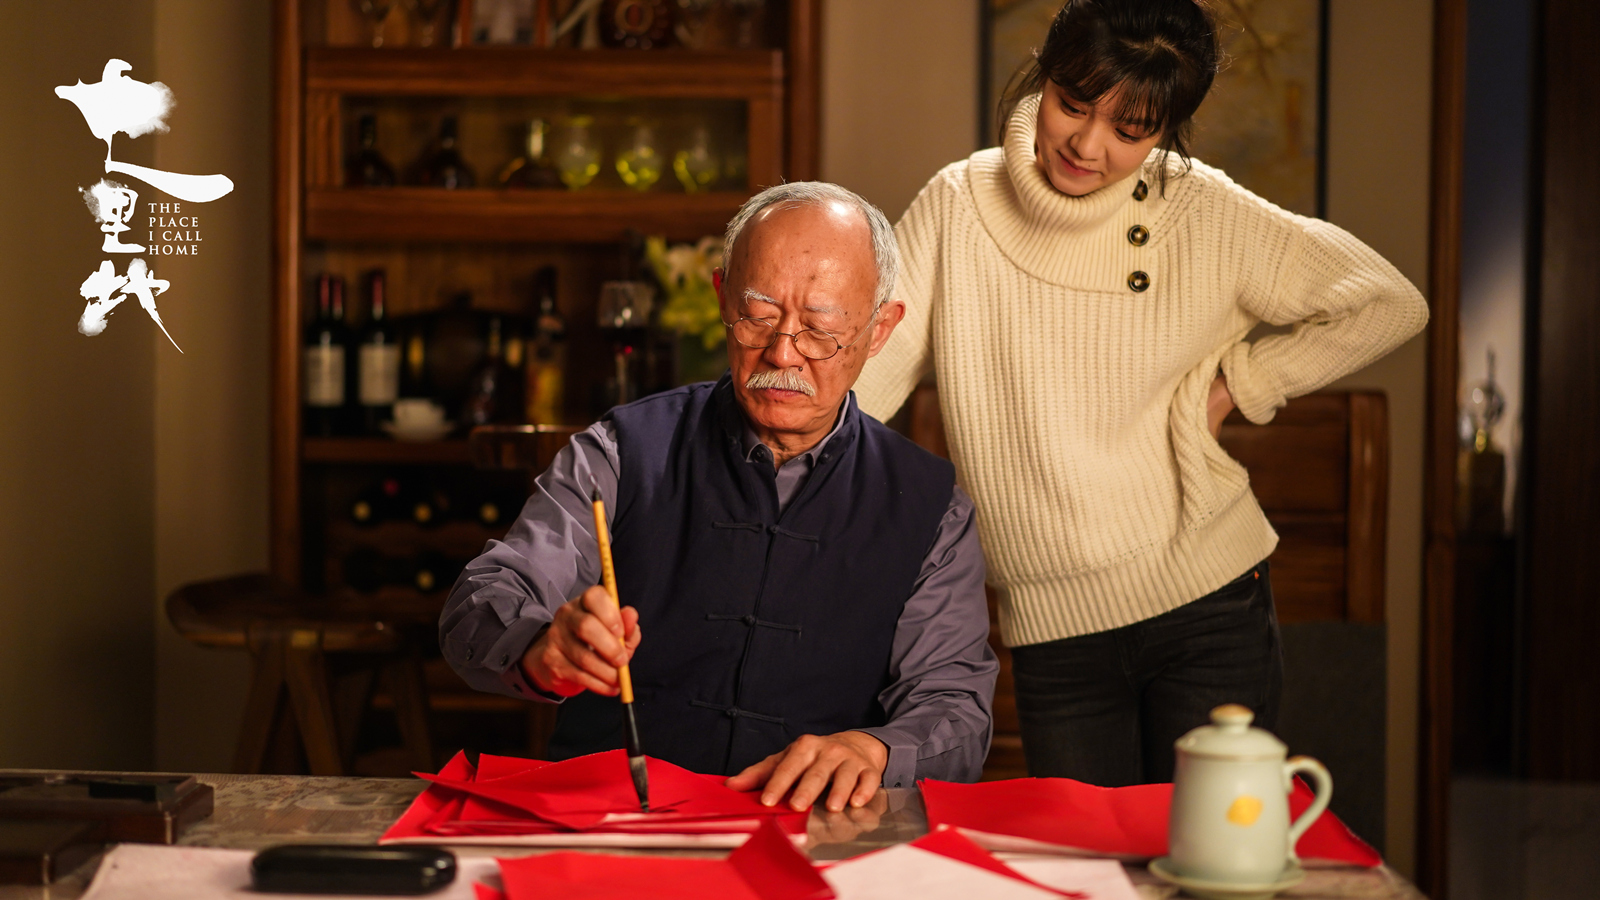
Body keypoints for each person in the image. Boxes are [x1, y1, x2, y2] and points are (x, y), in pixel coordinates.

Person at [852, 0, 1429, 787]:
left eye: (1131, 130)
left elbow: (1389, 300)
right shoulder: (960, 204)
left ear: (1167, 130)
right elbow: (866, 380)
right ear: (1044, 78)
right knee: (1097, 874)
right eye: (1074, 105)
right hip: (1054, 632)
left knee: (1207, 869)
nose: (1087, 146)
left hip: (1209, 606)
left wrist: (1240, 384)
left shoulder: (1203, 210)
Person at [441, 182, 997, 814]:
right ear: (721, 298)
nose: (782, 352)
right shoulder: (622, 452)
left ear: (878, 330)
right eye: (757, 316)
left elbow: (955, 710)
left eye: (821, 329)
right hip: (615, 827)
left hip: (811, 839)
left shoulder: (930, 508)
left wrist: (877, 751)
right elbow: (479, 604)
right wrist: (541, 650)